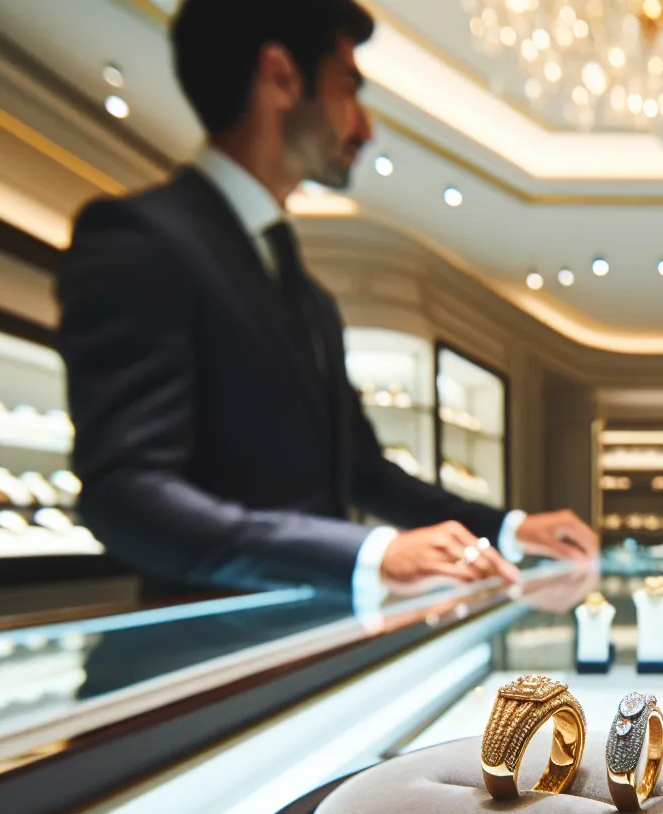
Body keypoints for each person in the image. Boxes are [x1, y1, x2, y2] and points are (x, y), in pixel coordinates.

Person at [56, 0, 595, 607]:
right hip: (201, 670)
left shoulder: (308, 296)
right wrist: (368, 555)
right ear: (282, 77)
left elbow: (363, 471)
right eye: (349, 89)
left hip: (313, 651)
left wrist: (509, 528)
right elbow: (127, 493)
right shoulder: (138, 241)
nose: (364, 127)